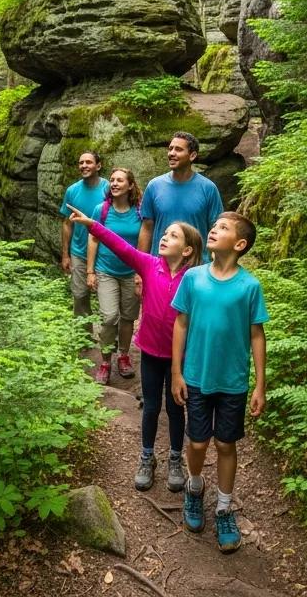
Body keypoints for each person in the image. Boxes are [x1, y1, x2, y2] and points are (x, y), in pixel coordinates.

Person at [68, 204, 203, 493]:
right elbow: (119, 246)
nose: (164, 237)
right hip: (151, 354)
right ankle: (147, 457)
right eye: (164, 233)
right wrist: (92, 224)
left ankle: (176, 459)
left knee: (177, 408)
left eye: (173, 236)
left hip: (181, 358)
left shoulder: (195, 279)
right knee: (152, 407)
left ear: (188, 250)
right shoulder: (148, 264)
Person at [171, 211, 267, 553]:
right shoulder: (193, 278)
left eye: (222, 228)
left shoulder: (249, 286)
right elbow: (180, 324)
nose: (213, 230)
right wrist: (177, 372)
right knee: (197, 443)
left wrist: (260, 385)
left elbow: (257, 335)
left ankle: (224, 508)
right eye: (214, 226)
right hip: (196, 376)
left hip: (233, 382)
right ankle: (195, 488)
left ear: (239, 244)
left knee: (226, 445)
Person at [86, 167, 143, 384]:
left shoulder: (139, 212)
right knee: (109, 317)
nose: (114, 183)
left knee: (128, 318)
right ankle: (105, 361)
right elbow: (93, 239)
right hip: (106, 270)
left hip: (131, 272)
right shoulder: (101, 210)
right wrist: (90, 271)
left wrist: (141, 272)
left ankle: (124, 356)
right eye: (112, 180)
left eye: (120, 180)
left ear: (130, 185)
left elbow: (144, 239)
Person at [138, 132, 223, 259]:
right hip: (161, 265)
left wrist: (217, 265)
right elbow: (146, 228)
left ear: (192, 155)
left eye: (178, 149)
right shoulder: (154, 186)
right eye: (170, 149)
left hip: (196, 266)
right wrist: (141, 267)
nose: (171, 153)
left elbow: (216, 230)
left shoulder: (208, 188)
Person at [58, 151, 108, 329]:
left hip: (103, 252)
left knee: (106, 298)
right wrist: (65, 254)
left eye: (88, 162)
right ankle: (84, 339)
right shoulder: (72, 190)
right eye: (81, 163)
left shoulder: (108, 189)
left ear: (98, 166)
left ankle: (109, 340)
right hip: (79, 251)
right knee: (79, 296)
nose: (84, 166)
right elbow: (66, 223)